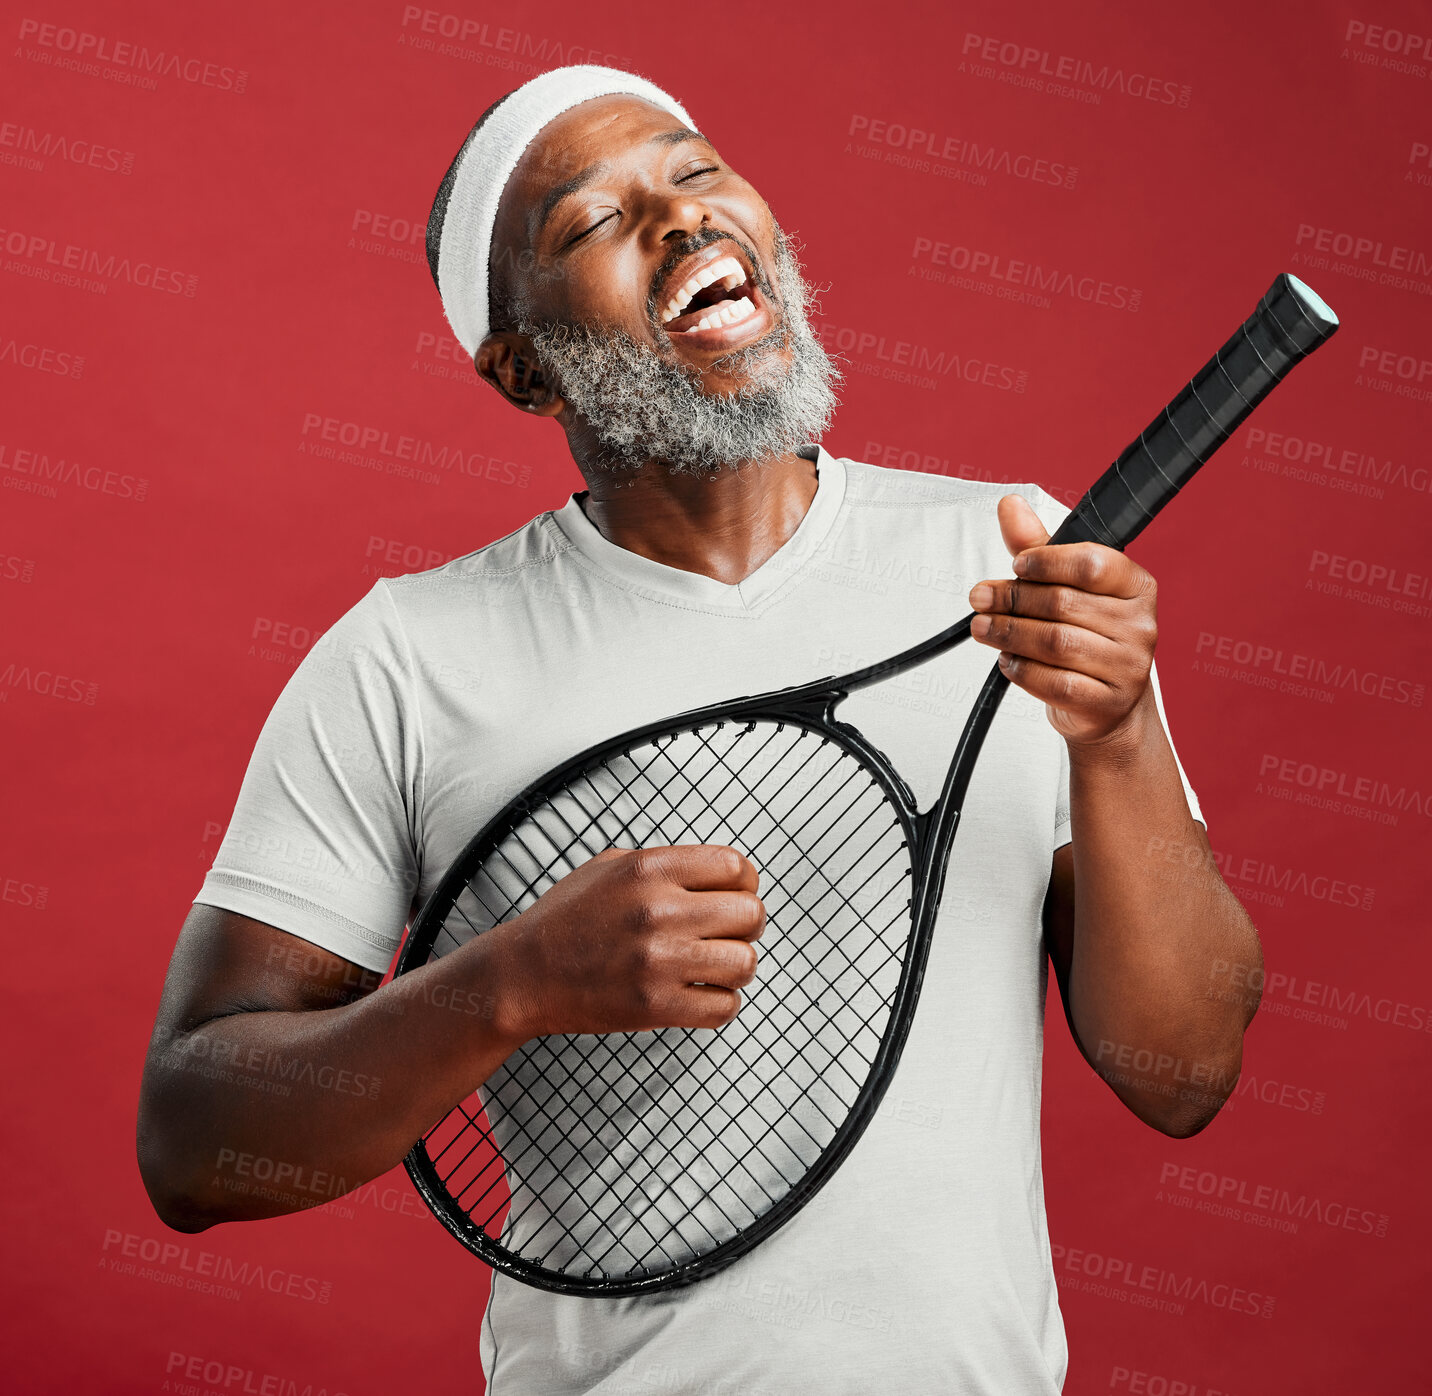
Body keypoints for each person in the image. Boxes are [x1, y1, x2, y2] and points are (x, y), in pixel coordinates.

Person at [138, 64, 1263, 1394]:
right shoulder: (405, 658)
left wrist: (1119, 736)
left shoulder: (1020, 555)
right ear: (522, 367)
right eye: (592, 223)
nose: (682, 221)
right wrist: (512, 984)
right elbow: (194, 1142)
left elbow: (1183, 1075)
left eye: (695, 170)